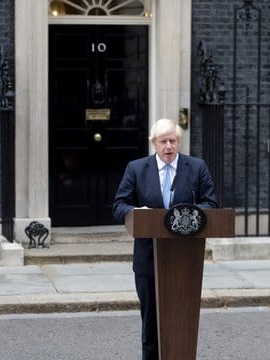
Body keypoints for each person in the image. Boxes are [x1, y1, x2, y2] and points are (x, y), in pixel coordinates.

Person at [112, 118, 218, 360]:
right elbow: (119, 205)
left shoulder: (197, 167)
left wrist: (190, 215)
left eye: (173, 140)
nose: (168, 146)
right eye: (163, 141)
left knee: (182, 322)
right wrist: (136, 213)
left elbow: (211, 203)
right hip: (149, 260)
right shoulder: (137, 169)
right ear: (154, 144)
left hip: (185, 258)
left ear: (179, 142)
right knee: (151, 326)